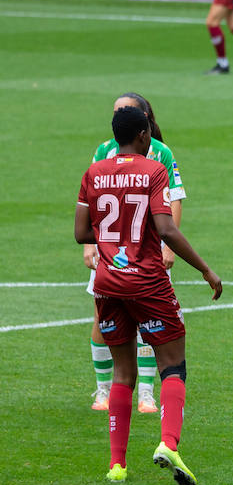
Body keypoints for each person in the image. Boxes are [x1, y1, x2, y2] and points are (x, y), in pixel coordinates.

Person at [75, 106, 223, 485]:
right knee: (173, 364)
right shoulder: (153, 170)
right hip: (148, 282)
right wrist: (205, 269)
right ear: (143, 135)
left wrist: (115, 240)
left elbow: (81, 233)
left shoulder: (93, 172)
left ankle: (117, 466)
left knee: (122, 372)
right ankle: (169, 443)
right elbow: (166, 229)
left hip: (108, 284)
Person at [86, 93, 186, 415]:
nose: (118, 116)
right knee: (102, 321)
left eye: (125, 111)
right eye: (115, 111)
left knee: (150, 324)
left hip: (148, 253)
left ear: (143, 117)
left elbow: (174, 200)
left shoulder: (160, 152)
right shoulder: (103, 150)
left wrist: (167, 246)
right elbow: (90, 201)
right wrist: (91, 245)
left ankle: (145, 393)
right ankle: (102, 389)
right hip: (111, 251)